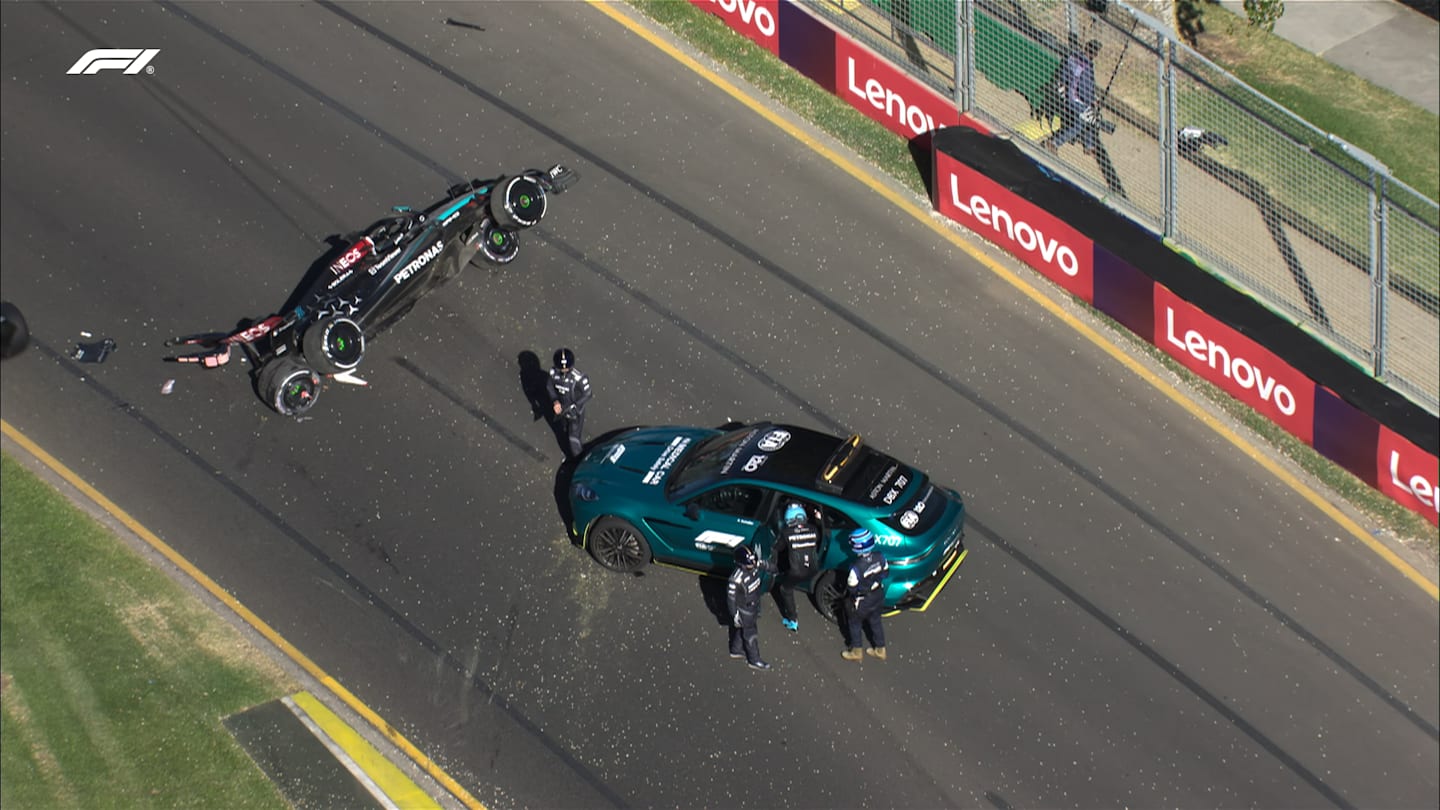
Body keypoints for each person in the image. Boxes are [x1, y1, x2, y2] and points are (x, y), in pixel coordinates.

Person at [1043, 40, 1102, 156]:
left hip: (1064, 94)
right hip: (1074, 99)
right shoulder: (1087, 67)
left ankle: (1089, 145)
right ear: (1095, 55)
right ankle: (1054, 142)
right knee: (1086, 119)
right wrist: (1093, 101)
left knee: (1090, 116)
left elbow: (1064, 76)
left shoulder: (1072, 57)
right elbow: (1084, 91)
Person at [841, 528, 890, 662]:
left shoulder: (856, 568)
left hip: (863, 599)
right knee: (875, 620)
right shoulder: (880, 556)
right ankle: (880, 649)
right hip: (878, 594)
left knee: (854, 623)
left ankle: (857, 651)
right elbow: (885, 573)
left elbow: (852, 588)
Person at [773, 502, 819, 632]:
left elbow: (777, 548)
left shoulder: (787, 533)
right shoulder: (813, 529)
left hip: (796, 572)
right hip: (814, 568)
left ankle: (793, 620)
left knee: (785, 589)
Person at [727, 544, 774, 671]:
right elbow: (731, 600)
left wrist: (770, 567)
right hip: (744, 609)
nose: (752, 565)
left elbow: (770, 567)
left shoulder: (754, 565)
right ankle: (754, 660)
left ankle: (736, 649)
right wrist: (735, 615)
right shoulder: (735, 580)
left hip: (754, 605)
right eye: (749, 564)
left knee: (741, 629)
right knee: (751, 634)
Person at [547, 348, 592, 459]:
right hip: (562, 410)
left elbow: (588, 394)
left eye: (567, 368)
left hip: (575, 412)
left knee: (573, 438)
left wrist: (575, 406)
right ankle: (571, 452)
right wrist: (555, 401)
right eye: (561, 369)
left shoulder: (579, 378)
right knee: (564, 431)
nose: (564, 371)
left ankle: (578, 459)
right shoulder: (554, 374)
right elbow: (549, 387)